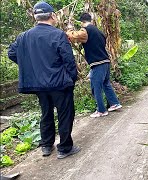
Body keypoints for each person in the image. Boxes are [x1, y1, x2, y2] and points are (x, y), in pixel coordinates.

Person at [8, 1, 80, 159]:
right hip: (59, 83)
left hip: (39, 84)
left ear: (35, 17)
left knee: (46, 113)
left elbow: (12, 53)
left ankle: (47, 145)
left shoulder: (23, 36)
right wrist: (71, 78)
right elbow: (68, 60)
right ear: (52, 16)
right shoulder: (57, 34)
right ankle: (64, 148)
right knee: (65, 114)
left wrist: (32, 65)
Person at [66, 13, 122, 118]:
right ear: (90, 20)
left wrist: (69, 29)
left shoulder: (85, 31)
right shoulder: (98, 31)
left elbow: (73, 36)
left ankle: (101, 110)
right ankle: (115, 103)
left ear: (82, 22)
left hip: (97, 63)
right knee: (106, 84)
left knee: (96, 87)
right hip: (105, 61)